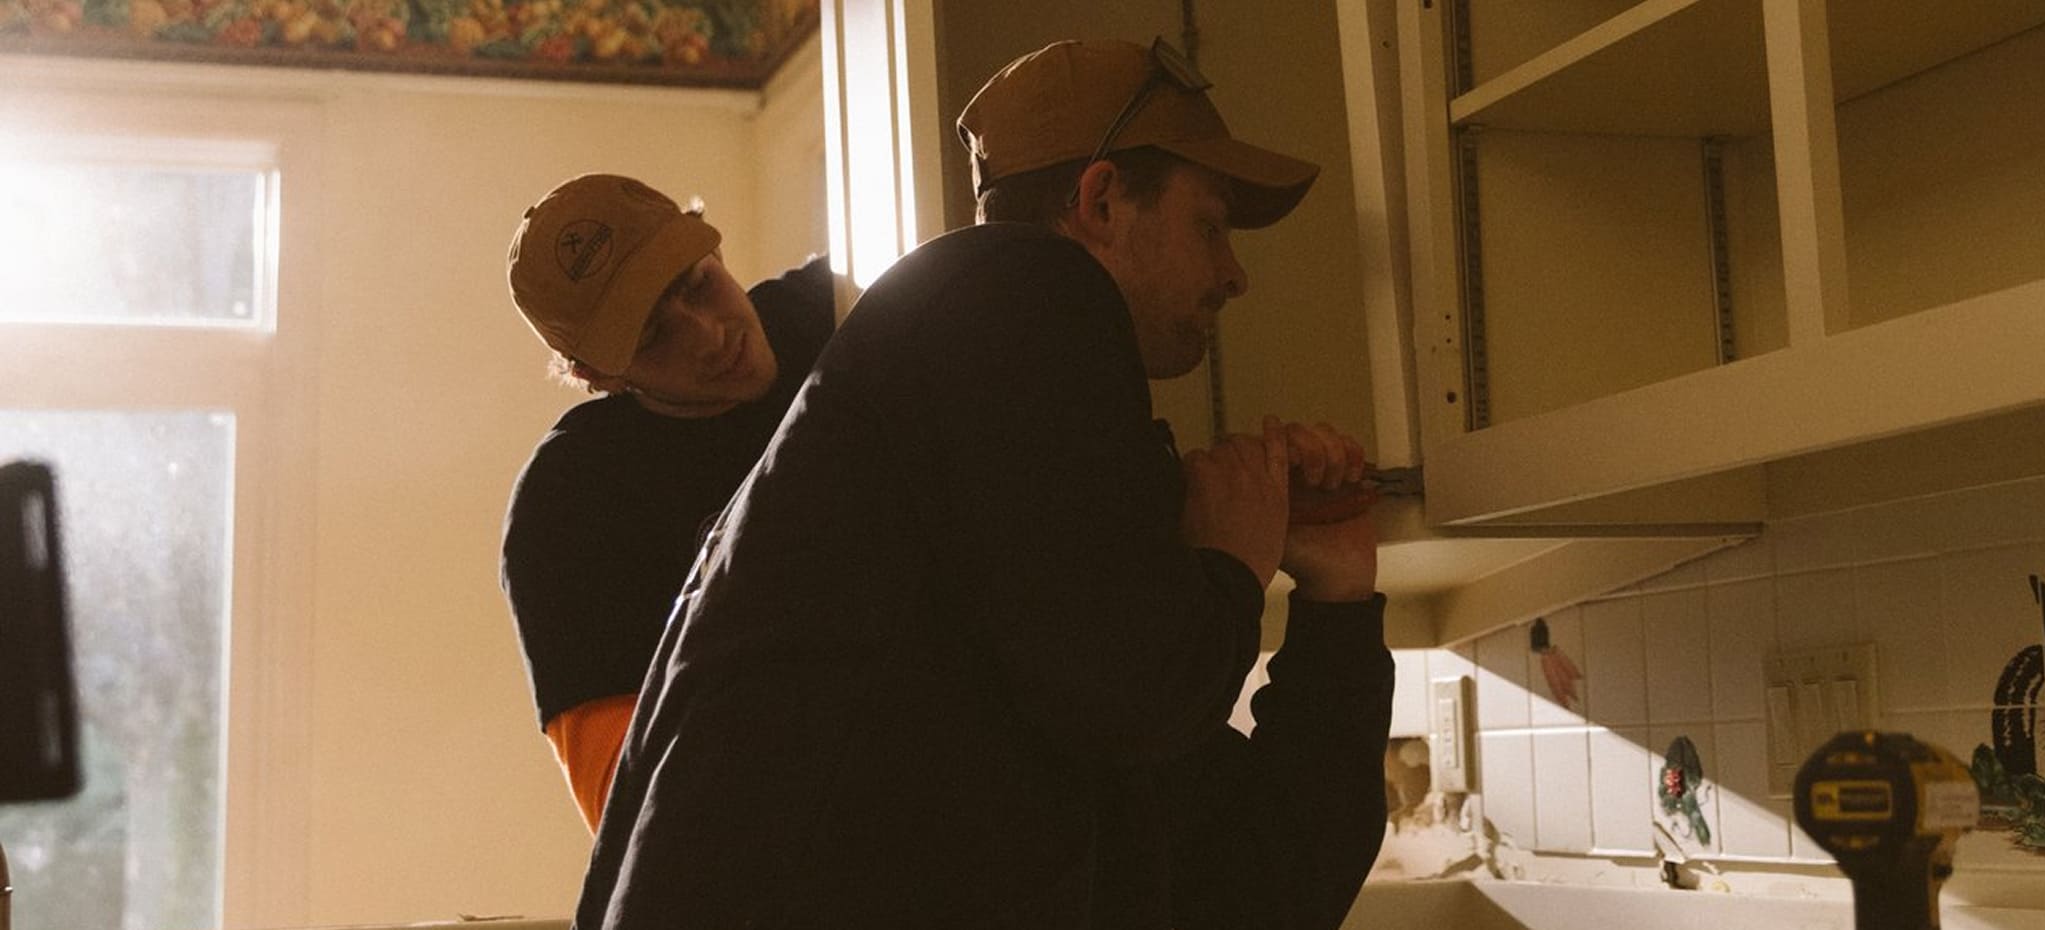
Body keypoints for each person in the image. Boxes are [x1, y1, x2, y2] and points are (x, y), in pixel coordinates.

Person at [576, 38, 1393, 929]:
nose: (1233, 273)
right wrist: (1230, 565)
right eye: (1210, 223)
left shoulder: (999, 565)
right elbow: (1139, 695)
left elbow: (1258, 886)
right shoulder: (1010, 284)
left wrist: (1338, 596)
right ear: (1103, 198)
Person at [499, 173, 834, 832]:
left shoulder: (846, 310)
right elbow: (640, 819)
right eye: (654, 334)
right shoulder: (569, 510)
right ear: (594, 374)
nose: (710, 335)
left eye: (697, 283)